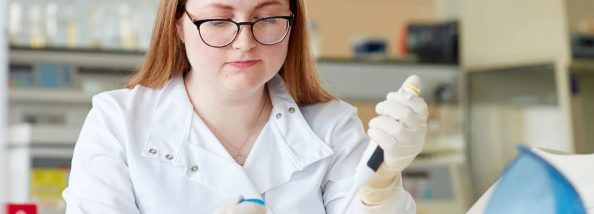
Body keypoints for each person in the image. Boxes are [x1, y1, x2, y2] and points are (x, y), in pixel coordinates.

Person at [62, 0, 428, 213]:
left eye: (267, 19)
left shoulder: (331, 126)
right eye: (219, 21)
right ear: (179, 25)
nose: (244, 42)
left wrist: (381, 181)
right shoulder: (119, 124)